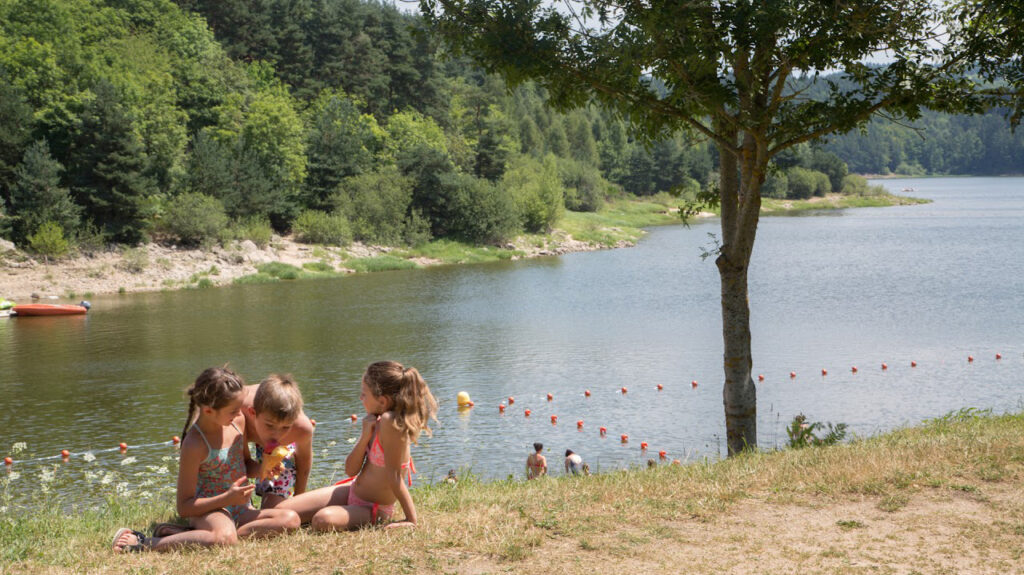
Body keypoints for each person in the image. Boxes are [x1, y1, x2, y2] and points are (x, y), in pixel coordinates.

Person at [112, 367, 300, 552]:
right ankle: (144, 543)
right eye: (233, 410)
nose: (240, 412)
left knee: (291, 520)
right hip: (209, 511)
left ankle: (197, 535)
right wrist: (226, 498)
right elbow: (184, 507)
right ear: (209, 411)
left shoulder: (238, 422)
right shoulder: (194, 444)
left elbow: (244, 465)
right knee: (224, 539)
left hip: (241, 508)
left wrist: (262, 469)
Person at [277, 361, 438, 530]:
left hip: (373, 507)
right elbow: (351, 470)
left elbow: (395, 476)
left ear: (382, 401)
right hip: (352, 489)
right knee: (282, 511)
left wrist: (411, 519)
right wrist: (365, 435)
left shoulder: (390, 423)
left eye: (364, 394)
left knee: (322, 520)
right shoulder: (375, 421)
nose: (360, 398)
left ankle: (339, 514)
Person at [241, 374, 314, 508]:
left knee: (274, 509)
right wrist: (261, 469)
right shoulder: (238, 414)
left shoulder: (301, 429)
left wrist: (298, 500)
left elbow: (303, 463)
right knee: (238, 507)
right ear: (253, 413)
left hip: (281, 448)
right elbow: (241, 465)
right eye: (269, 425)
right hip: (244, 429)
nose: (276, 435)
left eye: (285, 427)